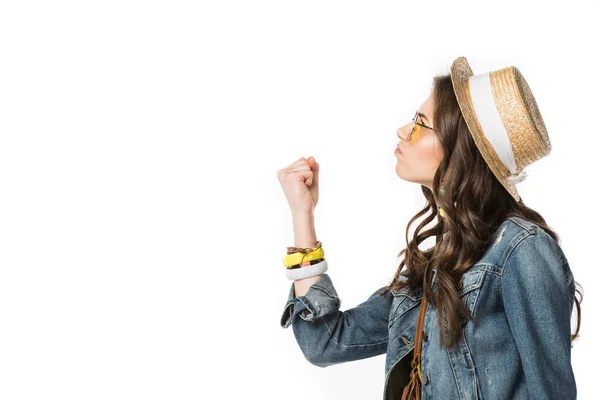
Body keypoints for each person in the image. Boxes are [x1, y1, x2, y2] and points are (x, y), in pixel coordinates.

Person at [276, 56, 583, 400]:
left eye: (421, 123)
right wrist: (303, 215)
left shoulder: (523, 249)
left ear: (460, 148)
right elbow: (326, 343)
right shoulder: (437, 264)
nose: (403, 131)